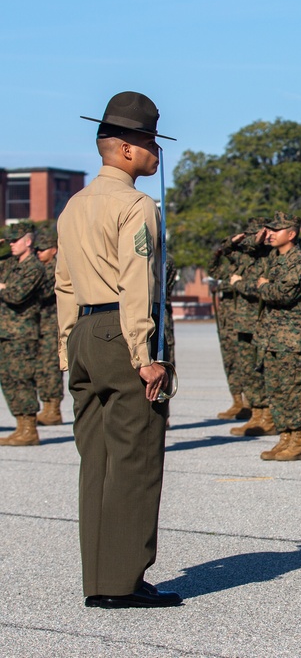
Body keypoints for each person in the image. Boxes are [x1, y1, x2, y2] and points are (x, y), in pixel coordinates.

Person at [55, 91, 181, 607]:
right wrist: (144, 353)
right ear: (126, 149)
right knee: (135, 458)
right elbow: (136, 282)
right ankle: (122, 581)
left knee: (97, 462)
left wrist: (68, 350)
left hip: (84, 332)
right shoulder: (135, 204)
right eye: (151, 142)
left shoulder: (75, 204)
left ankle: (98, 579)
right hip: (122, 332)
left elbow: (64, 282)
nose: (156, 153)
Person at [248, 212, 301, 461]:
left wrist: (263, 285)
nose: (271, 234)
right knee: (276, 389)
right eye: (269, 230)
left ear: (292, 233)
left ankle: (297, 441)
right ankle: (284, 437)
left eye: (276, 230)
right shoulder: (274, 259)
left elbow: (283, 294)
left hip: (293, 337)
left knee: (294, 389)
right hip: (272, 336)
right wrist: (265, 283)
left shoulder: (299, 261)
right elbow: (251, 261)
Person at [228, 218, 277, 437]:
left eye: (255, 234)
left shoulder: (271, 257)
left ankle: (267, 417)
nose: (251, 239)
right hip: (243, 322)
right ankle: (256, 415)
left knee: (260, 371)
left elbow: (260, 289)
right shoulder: (247, 258)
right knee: (248, 371)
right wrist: (232, 242)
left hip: (260, 323)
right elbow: (218, 257)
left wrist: (238, 284)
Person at [0, 222, 45, 446]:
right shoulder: (9, 264)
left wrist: (2, 288)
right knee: (7, 380)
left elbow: (17, 295)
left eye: (14, 240)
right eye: (8, 241)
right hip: (5, 332)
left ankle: (30, 429)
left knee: (22, 380)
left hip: (22, 333)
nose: (11, 244)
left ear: (28, 241)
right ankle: (20, 426)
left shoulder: (34, 268)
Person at [208, 229, 249, 420]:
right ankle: (237, 401)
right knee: (230, 363)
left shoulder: (250, 268)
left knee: (246, 364)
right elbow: (212, 268)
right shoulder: (228, 271)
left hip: (243, 324)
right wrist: (221, 249)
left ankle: (250, 403)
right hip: (226, 325)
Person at [32, 226, 64, 427]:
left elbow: (42, 292)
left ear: (53, 249)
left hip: (53, 324)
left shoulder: (56, 267)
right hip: (41, 323)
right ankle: (46, 406)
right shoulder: (41, 267)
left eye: (42, 249)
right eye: (36, 250)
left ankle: (53, 408)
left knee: (51, 367)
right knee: (41, 367)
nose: (38, 253)